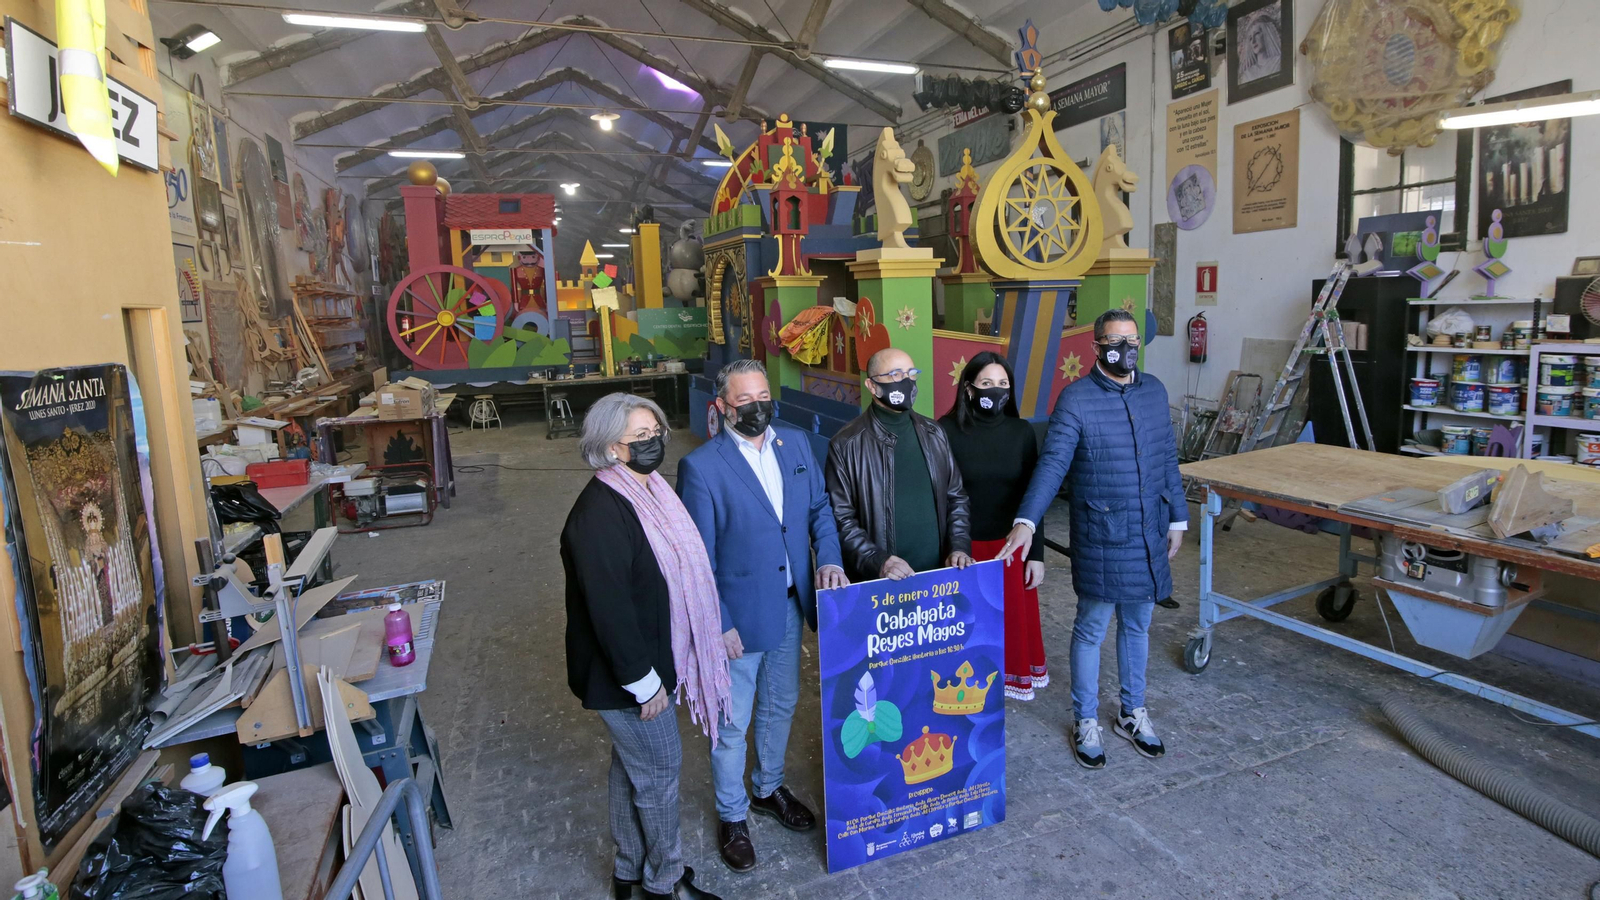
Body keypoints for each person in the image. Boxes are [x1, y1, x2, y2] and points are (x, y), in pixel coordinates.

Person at [996, 310, 1187, 770]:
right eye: (1115, 341)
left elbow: (1167, 457)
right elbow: (1053, 464)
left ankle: (1132, 712)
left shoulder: (1154, 391)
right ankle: (1085, 719)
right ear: (1096, 346)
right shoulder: (1077, 399)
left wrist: (1178, 517)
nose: (1125, 349)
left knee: (1138, 624)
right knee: (1092, 628)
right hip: (1102, 535)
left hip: (1148, 530)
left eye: (1132, 340)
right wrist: (1026, 521)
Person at [676, 359, 847, 873]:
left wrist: (830, 558)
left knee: (781, 704)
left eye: (763, 397)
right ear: (723, 407)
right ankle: (732, 816)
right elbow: (698, 559)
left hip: (790, 605)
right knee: (733, 723)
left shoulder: (794, 444)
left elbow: (819, 510)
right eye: (745, 400)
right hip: (739, 619)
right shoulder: (702, 467)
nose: (757, 408)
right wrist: (719, 621)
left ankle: (767, 788)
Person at [561, 393, 728, 900]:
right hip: (628, 676)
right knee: (659, 772)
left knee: (630, 768)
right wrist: (643, 682)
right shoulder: (599, 514)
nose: (654, 442)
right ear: (612, 447)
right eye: (640, 437)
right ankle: (664, 883)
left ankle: (629, 872)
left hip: (647, 664)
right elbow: (609, 609)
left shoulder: (650, 490)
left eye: (656, 432)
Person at [938, 352, 1049, 701]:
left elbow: (1034, 498)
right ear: (969, 389)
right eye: (987, 383)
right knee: (965, 631)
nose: (996, 390)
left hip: (1010, 550)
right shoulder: (945, 431)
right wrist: (948, 548)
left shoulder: (1022, 432)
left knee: (1009, 628)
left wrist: (1037, 554)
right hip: (962, 550)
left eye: (1003, 384)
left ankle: (1002, 691)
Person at [826, 347, 973, 582]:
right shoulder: (846, 444)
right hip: (883, 583)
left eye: (911, 373)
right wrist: (878, 561)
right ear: (872, 386)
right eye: (895, 374)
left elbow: (956, 497)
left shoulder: (934, 433)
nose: (906, 382)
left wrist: (958, 547)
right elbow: (841, 518)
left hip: (938, 576)